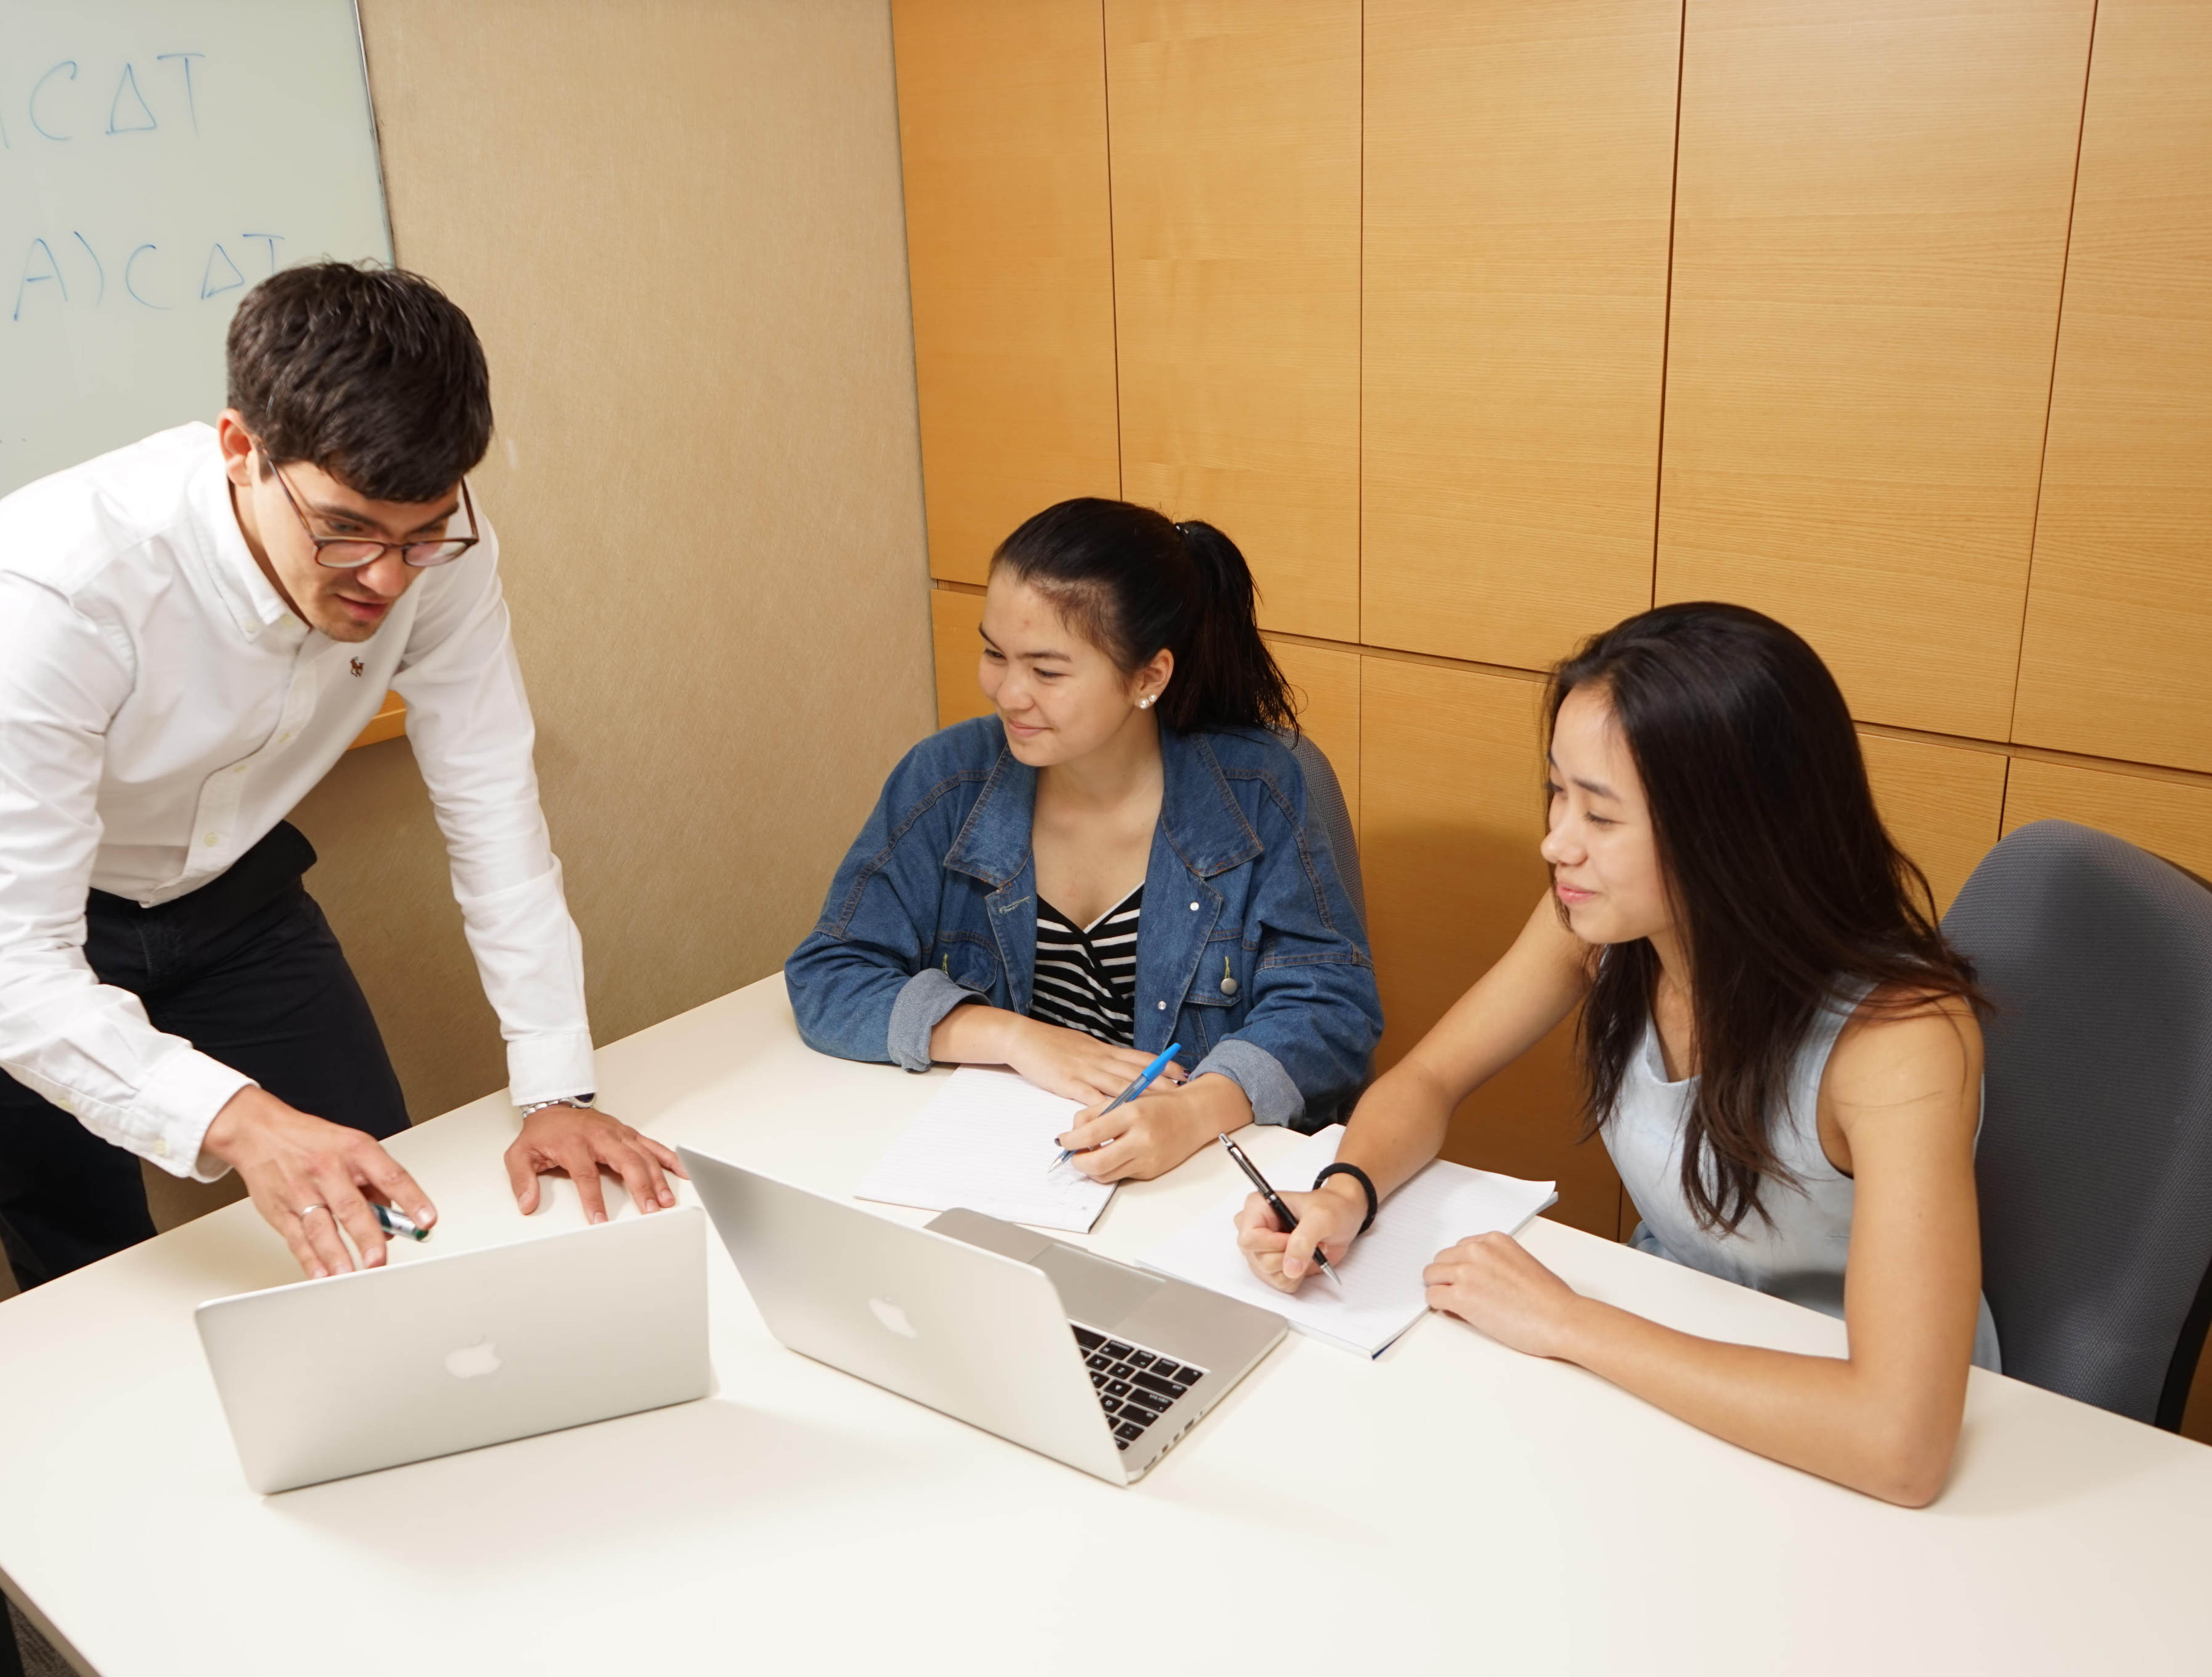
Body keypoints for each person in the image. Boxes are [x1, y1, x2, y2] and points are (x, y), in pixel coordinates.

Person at [0, 262, 681, 1289]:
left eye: (422, 534)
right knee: (88, 1266)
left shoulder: (437, 545)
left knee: (385, 1198)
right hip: (0, 898)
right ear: (240, 450)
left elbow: (491, 801)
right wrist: (240, 1123)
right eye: (345, 531)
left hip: (229, 883)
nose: (386, 577)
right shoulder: (60, 577)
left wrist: (556, 1089)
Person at [1237, 602, 2000, 1505]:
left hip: (1831, 1417)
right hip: (1668, 1355)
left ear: (1735, 832)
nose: (1556, 842)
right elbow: (1431, 1077)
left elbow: (1898, 1443)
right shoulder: (1600, 923)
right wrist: (1344, 1192)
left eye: (1600, 814)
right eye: (1557, 792)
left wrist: (1568, 1322)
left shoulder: (1901, 1038)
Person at [787, 498, 1381, 1180]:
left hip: (1197, 1177)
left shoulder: (1255, 791)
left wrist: (1195, 1111)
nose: (1008, 693)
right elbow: (831, 974)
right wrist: (1012, 1037)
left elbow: (1330, 1007)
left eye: (1046, 671)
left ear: (1148, 677)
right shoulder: (948, 778)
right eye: (994, 653)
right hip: (1010, 1164)